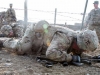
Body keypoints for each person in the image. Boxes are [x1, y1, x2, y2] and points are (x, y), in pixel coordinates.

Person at [1, 20, 99, 65]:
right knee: (21, 49)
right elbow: (51, 53)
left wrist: (93, 58)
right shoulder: (65, 38)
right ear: (79, 43)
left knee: (31, 50)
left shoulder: (77, 41)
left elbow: (78, 54)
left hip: (43, 42)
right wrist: (70, 57)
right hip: (34, 34)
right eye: (83, 49)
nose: (83, 51)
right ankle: (3, 42)